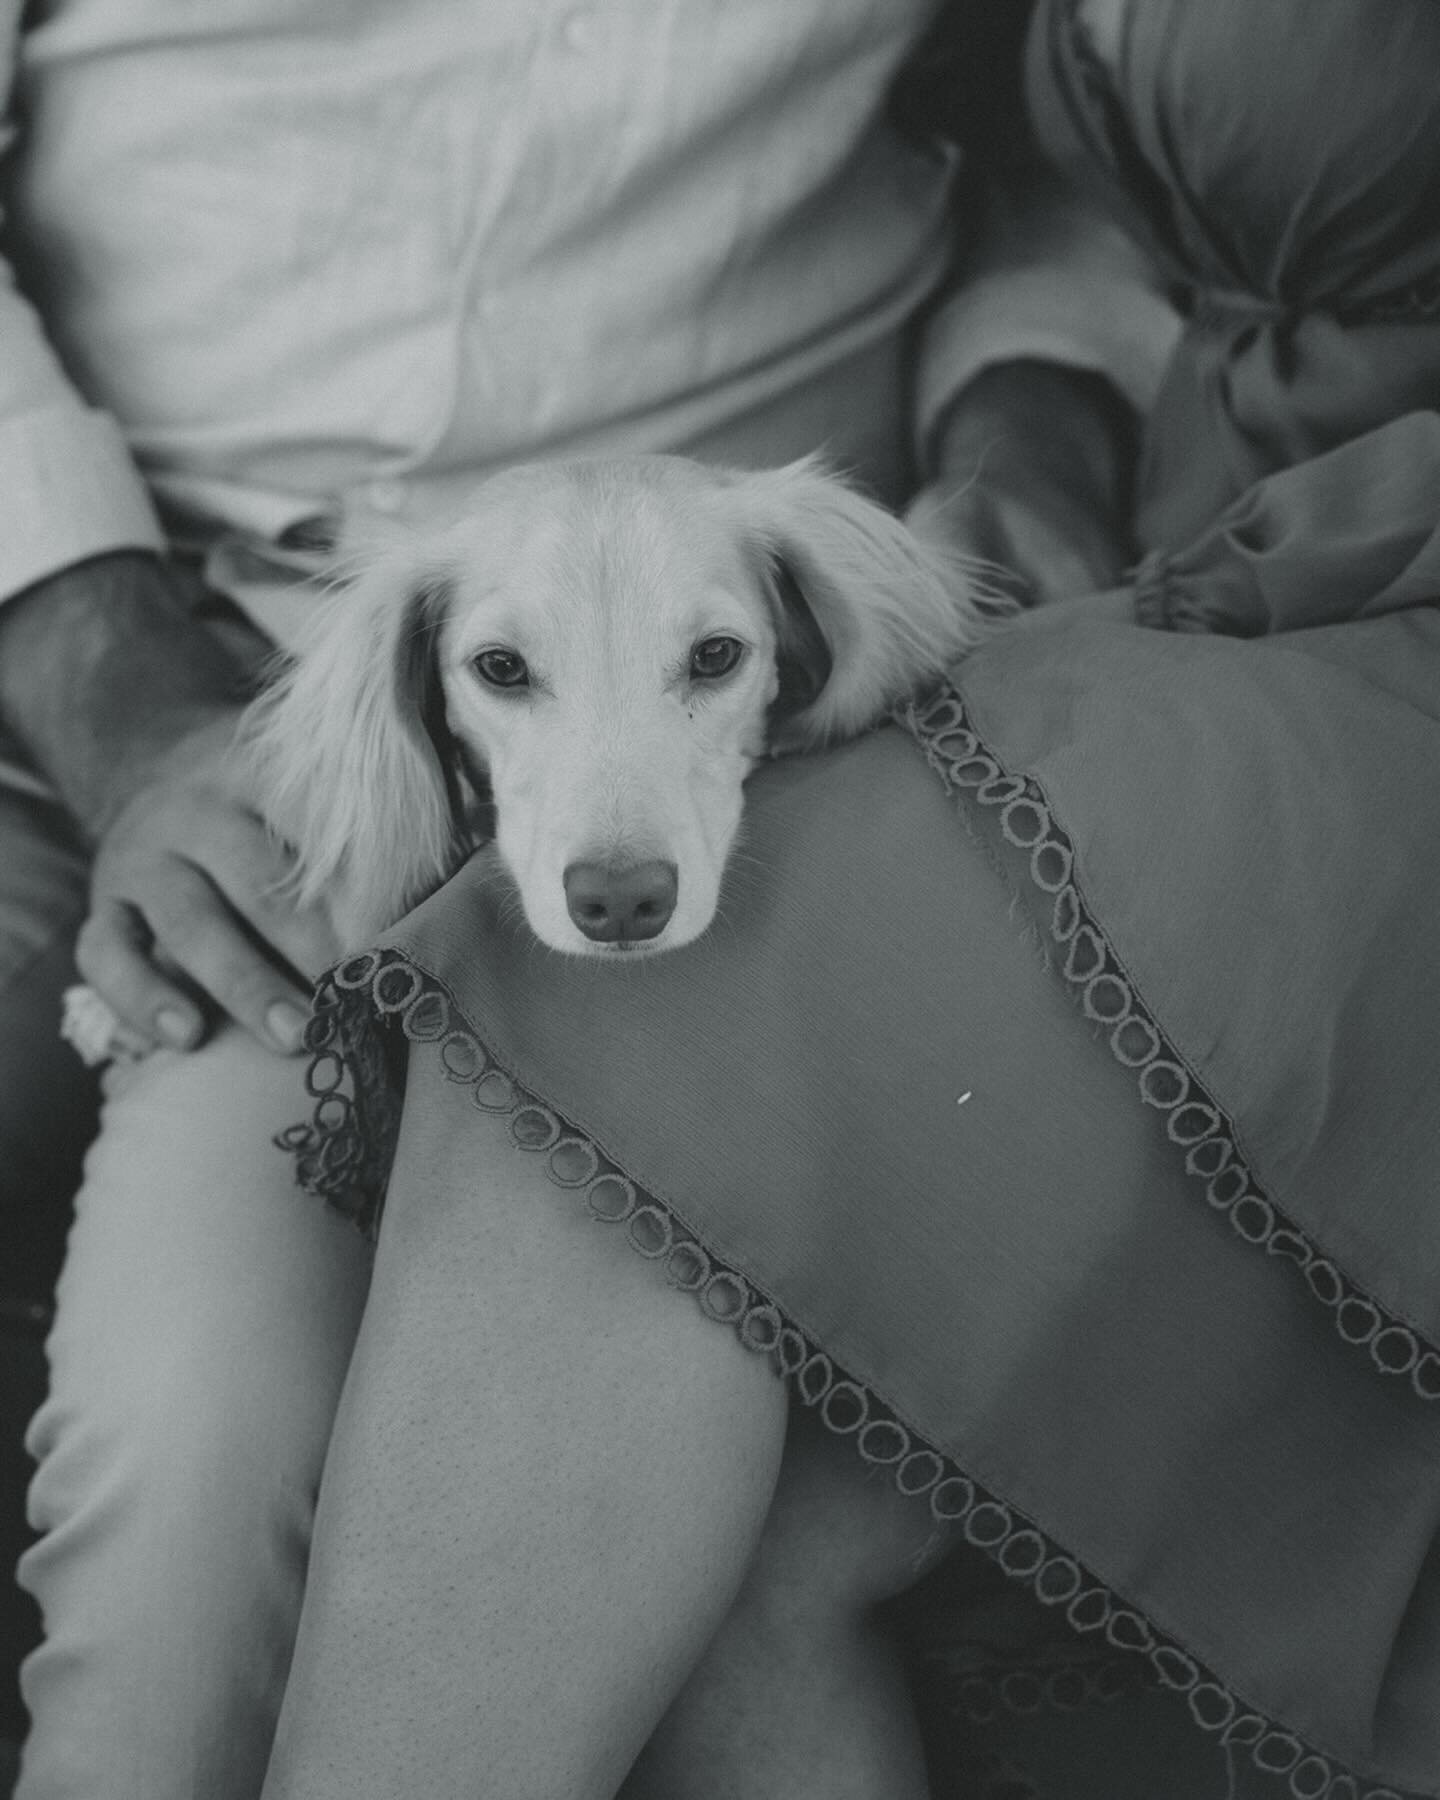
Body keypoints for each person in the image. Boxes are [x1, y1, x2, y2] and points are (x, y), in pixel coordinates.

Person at [249, 2, 1440, 1798]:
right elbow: (1022, 176)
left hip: (1364, 608)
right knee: (735, 1556)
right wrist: (1035, 402)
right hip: (1184, 560)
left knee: (588, 1028)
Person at [0, 2, 1177, 1794]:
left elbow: (1088, 130)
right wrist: (108, 681)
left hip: (810, 651)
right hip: (201, 640)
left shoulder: (810, 648)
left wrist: (1032, 399)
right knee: (197, 1450)